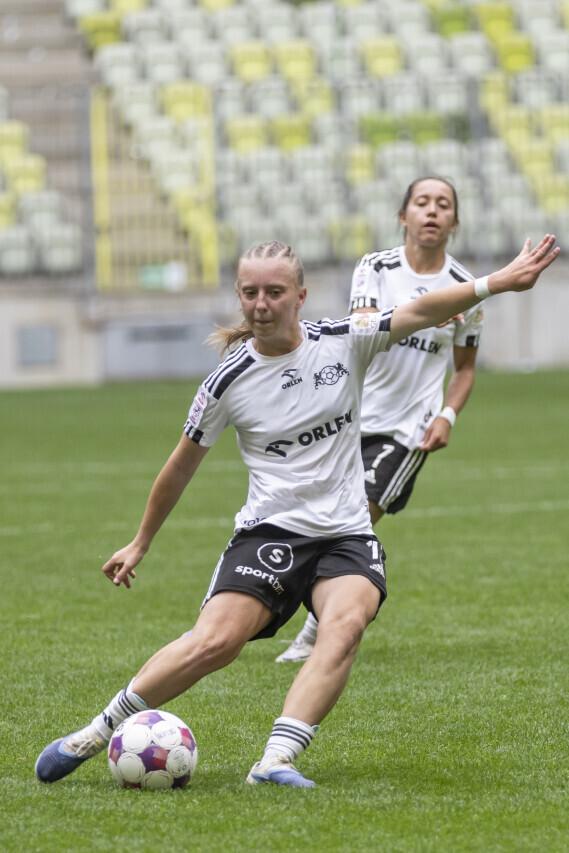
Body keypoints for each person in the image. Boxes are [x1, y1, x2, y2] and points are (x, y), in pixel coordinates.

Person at [34, 235, 559, 789]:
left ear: (300, 296)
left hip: (346, 533)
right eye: (250, 293)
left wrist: (497, 282)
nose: (261, 304)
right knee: (216, 643)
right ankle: (96, 732)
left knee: (345, 624)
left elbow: (420, 311)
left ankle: (276, 761)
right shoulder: (226, 383)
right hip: (270, 531)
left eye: (275, 292)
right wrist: (141, 541)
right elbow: (180, 466)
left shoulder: (344, 341)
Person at [277, 175, 483, 663]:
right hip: (347, 415)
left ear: (455, 221)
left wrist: (448, 415)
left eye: (443, 204)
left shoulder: (466, 289)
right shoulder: (375, 267)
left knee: (358, 513)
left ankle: (314, 629)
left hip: (409, 428)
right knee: (309, 510)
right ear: (403, 216)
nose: (432, 211)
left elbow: (465, 368)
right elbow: (363, 330)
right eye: (422, 202)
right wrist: (424, 313)